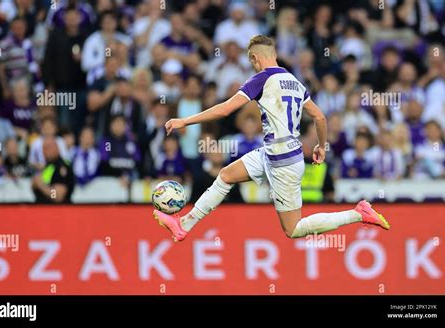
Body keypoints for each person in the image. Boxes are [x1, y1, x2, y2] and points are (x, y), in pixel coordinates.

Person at [153, 35, 390, 242]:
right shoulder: (296, 83)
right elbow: (320, 117)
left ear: (255, 58)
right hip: (275, 152)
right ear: (274, 54)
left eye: (251, 62)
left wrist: (184, 121)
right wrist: (320, 146)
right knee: (225, 175)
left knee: (293, 229)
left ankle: (358, 213)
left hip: (282, 162)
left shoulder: (261, 79)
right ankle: (183, 224)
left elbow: (225, 109)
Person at [31, 136, 75, 203]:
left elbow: (57, 196)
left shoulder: (61, 167)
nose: (44, 152)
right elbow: (48, 185)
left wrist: (41, 186)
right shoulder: (48, 167)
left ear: (56, 148)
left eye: (47, 148)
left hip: (56, 211)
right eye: (43, 149)